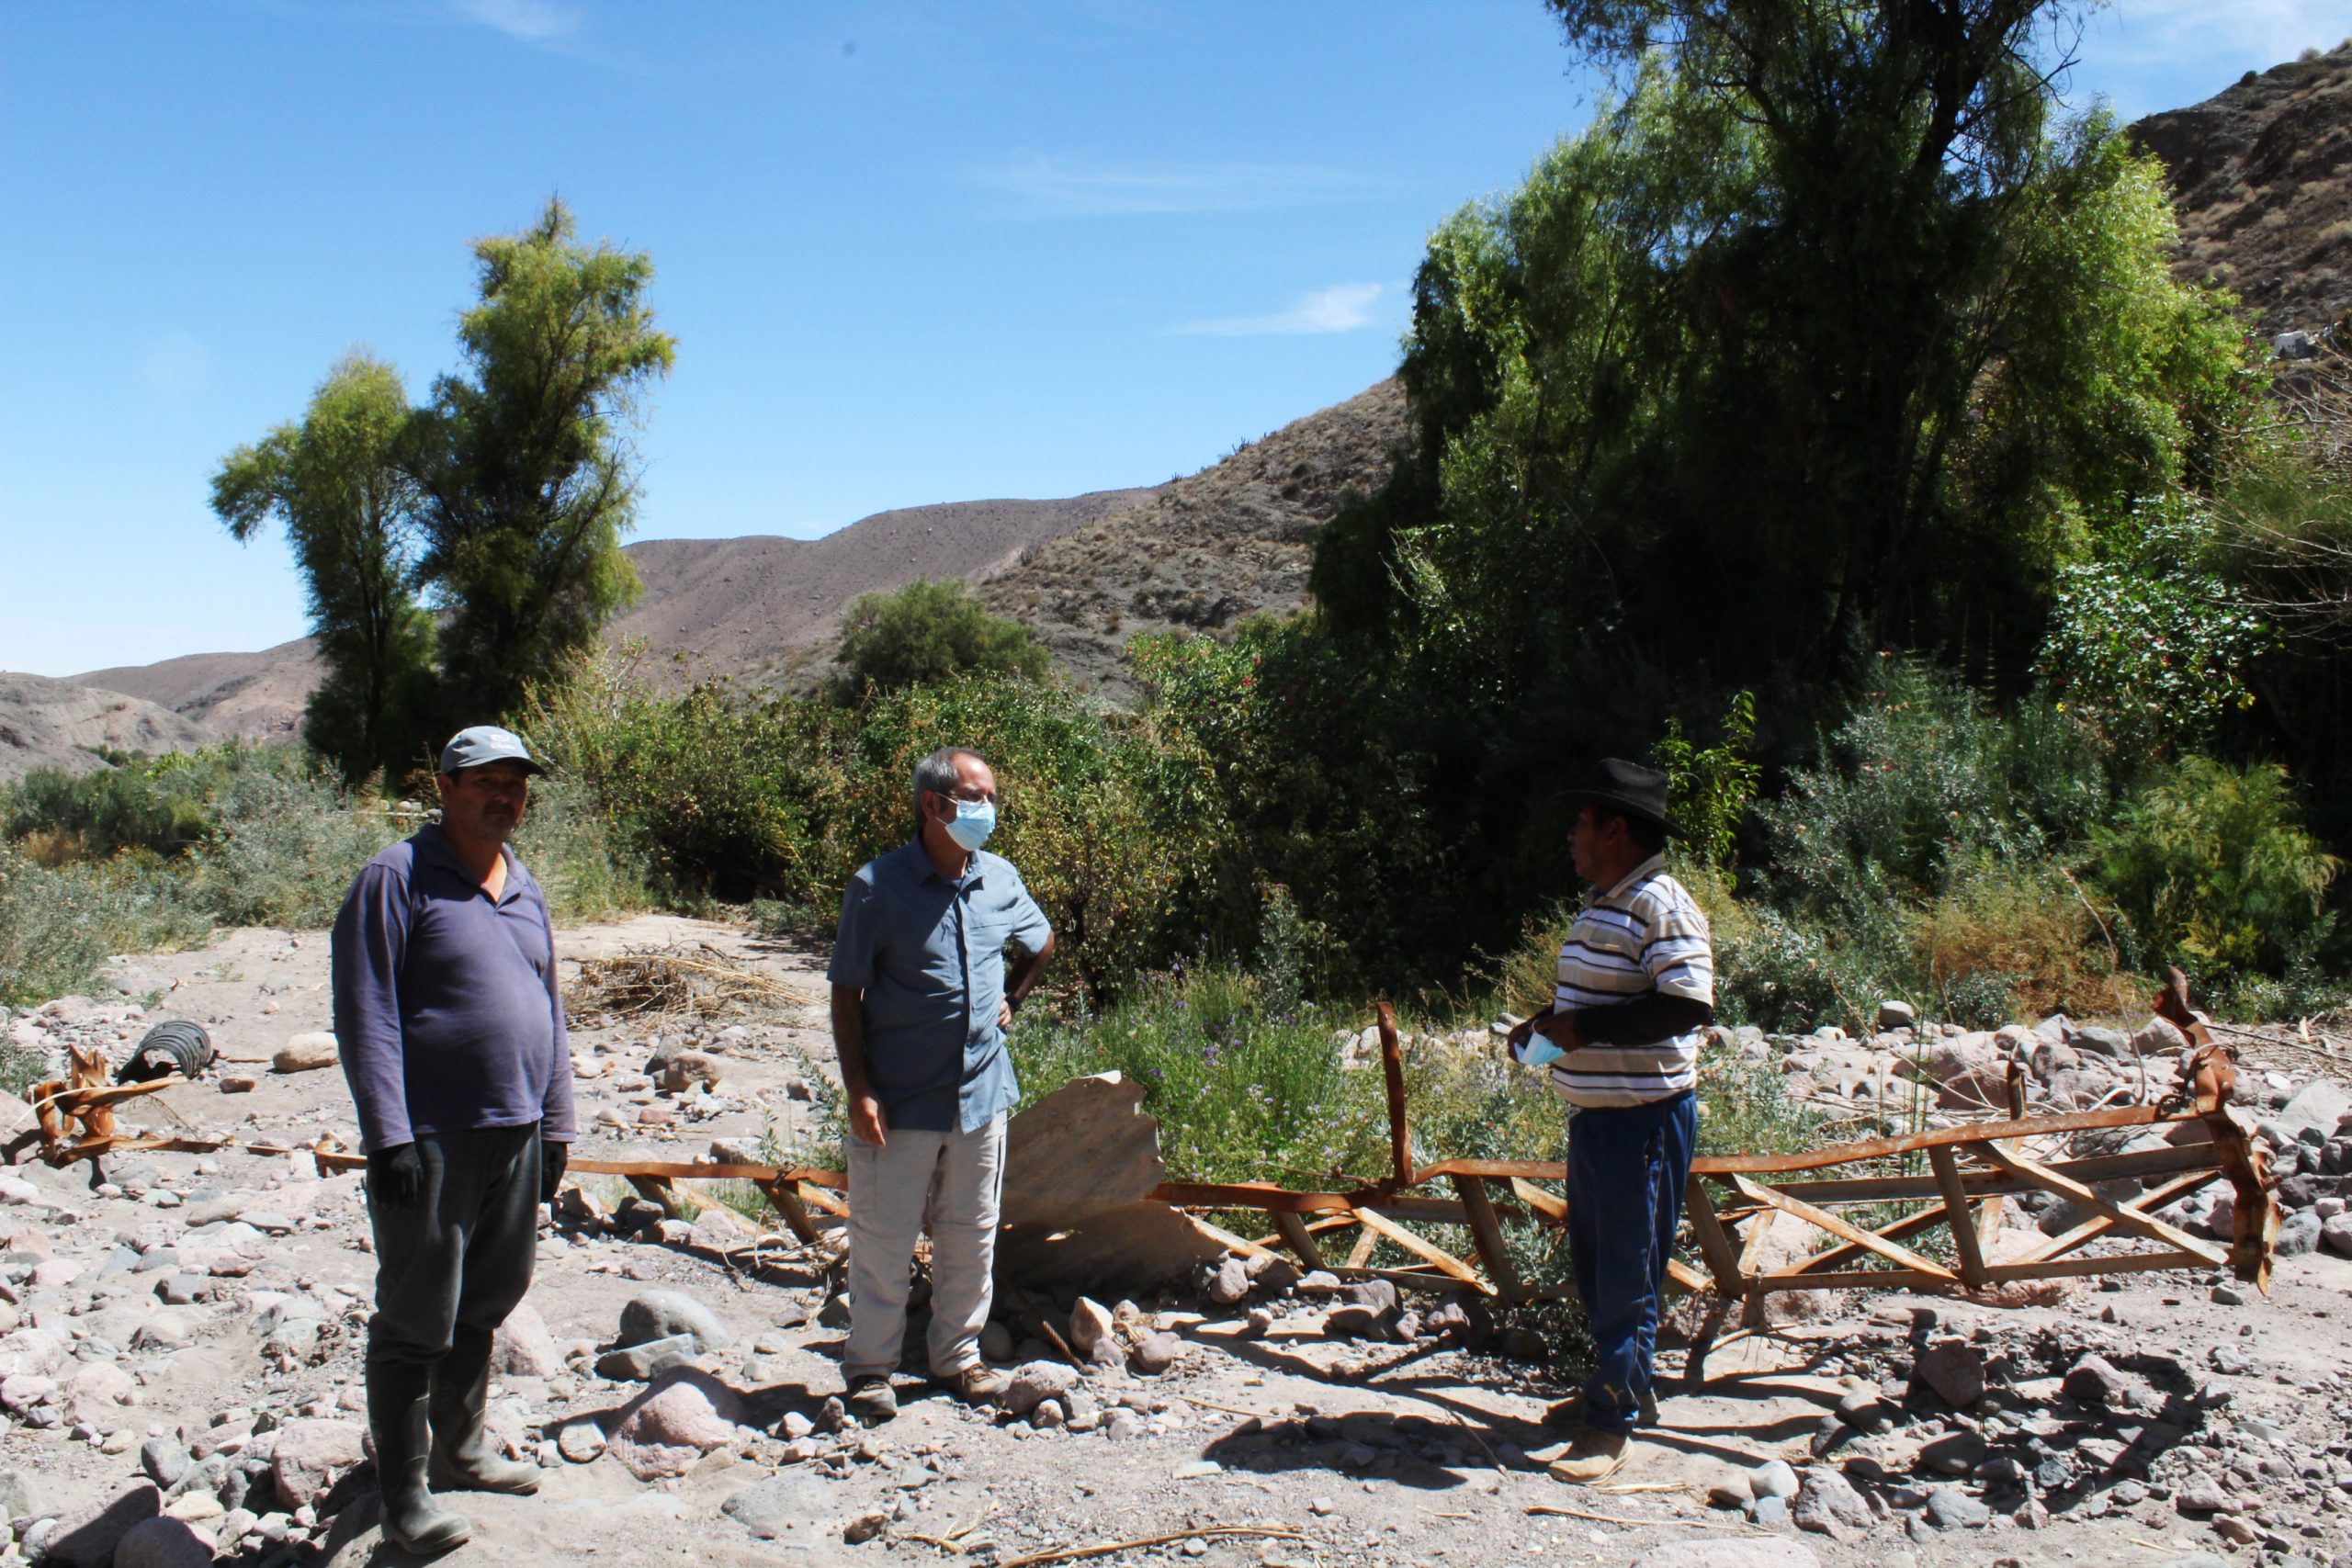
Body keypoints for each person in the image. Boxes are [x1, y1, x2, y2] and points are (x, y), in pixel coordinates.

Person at [331, 725, 576, 1554]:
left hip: (517, 1130)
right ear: (444, 785)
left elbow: (551, 1010)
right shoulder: (395, 877)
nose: (503, 795)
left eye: (516, 783)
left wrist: (559, 1124)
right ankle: (405, 1499)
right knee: (413, 1317)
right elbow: (365, 1014)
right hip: (431, 1138)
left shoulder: (525, 885)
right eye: (485, 781)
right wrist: (387, 1135)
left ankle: (462, 1450)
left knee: (486, 1298)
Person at [827, 746, 1056, 1425]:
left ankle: (957, 1359)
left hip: (983, 1093)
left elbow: (1041, 942)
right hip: (898, 1098)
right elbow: (846, 993)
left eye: (992, 797)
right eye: (977, 797)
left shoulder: (1000, 877)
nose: (990, 810)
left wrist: (1012, 995)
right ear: (934, 804)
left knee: (972, 1230)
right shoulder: (877, 886)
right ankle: (871, 1369)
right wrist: (858, 1086)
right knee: (882, 1236)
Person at [1505, 758, 1713, 1485]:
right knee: (1597, 1263)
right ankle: (1620, 1386)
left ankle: (1611, 1423)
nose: (1571, 835)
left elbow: (1686, 1004)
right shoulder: (1605, 901)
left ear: (1616, 828)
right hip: (1599, 1117)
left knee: (1627, 1269)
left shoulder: (1662, 903)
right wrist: (1543, 1029)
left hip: (1643, 1118)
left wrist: (1580, 1030)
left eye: (1582, 822)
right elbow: (1595, 1006)